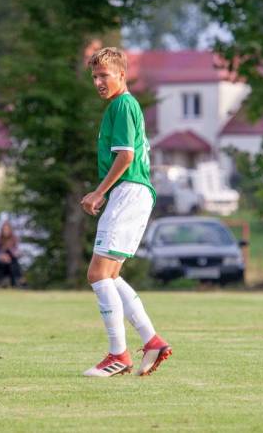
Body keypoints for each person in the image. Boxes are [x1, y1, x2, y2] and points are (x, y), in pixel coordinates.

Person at [81, 47, 171, 377]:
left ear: (121, 74)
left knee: (97, 274)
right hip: (134, 193)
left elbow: (126, 156)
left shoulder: (121, 105)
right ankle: (152, 340)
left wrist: (99, 192)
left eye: (104, 75)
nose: (98, 82)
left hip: (129, 192)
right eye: (94, 76)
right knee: (111, 275)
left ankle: (118, 355)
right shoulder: (124, 106)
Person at [0, 219, 24, 288]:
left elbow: (17, 251)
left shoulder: (14, 239)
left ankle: (14, 282)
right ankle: (18, 281)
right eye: (4, 229)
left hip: (11, 261)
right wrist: (2, 254)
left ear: (10, 230)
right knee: (8, 261)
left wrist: (16, 253)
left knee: (13, 261)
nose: (6, 231)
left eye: (7, 229)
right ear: (2, 230)